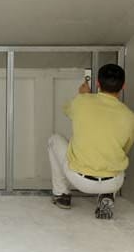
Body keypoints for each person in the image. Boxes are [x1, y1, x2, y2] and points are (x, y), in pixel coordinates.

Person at [48, 64, 134, 219]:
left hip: (80, 180)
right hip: (113, 181)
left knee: (54, 140)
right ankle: (106, 195)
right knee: (116, 154)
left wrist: (82, 96)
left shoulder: (82, 102)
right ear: (123, 86)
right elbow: (125, 149)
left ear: (97, 84)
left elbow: (66, 109)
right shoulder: (129, 116)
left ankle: (62, 195)